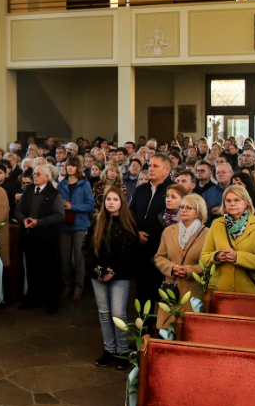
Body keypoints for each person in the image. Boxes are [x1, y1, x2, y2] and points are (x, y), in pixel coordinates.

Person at [86, 187, 140, 370]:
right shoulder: (97, 221)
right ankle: (110, 350)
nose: (111, 202)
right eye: (108, 199)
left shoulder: (129, 221)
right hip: (99, 273)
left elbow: (131, 251)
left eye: (115, 199)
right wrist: (100, 271)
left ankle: (122, 352)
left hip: (120, 274)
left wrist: (112, 271)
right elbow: (87, 247)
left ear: (121, 202)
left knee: (118, 314)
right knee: (104, 313)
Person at [200, 185, 255, 295]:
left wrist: (237, 257)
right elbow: (204, 258)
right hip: (220, 289)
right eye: (228, 201)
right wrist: (217, 256)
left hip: (250, 290)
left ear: (246, 202)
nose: (232, 203)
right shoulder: (216, 224)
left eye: (237, 200)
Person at [153, 193, 209, 328]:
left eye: (189, 208)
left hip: (193, 293)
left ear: (198, 212)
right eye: (182, 207)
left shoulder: (208, 233)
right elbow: (159, 257)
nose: (183, 210)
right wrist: (171, 267)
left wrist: (189, 270)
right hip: (170, 291)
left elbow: (209, 263)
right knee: (167, 335)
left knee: (190, 334)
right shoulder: (169, 231)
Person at [15, 165, 66, 314]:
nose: (34, 176)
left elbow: (59, 215)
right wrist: (23, 220)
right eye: (34, 174)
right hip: (29, 237)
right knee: (31, 270)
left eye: (38, 174)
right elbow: (17, 210)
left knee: (48, 271)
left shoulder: (54, 193)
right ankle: (32, 299)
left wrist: (39, 222)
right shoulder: (29, 190)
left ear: (47, 177)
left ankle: (51, 302)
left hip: (46, 238)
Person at [131, 154, 172, 304]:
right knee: (142, 292)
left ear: (166, 170)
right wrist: (136, 232)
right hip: (141, 246)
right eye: (150, 165)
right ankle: (143, 326)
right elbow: (131, 214)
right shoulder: (140, 190)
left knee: (162, 294)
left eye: (156, 166)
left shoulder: (172, 190)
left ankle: (161, 326)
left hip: (163, 249)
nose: (151, 169)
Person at [57, 156, 94, 300]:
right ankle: (67, 286)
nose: (69, 168)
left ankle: (79, 287)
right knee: (64, 258)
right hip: (64, 224)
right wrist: (62, 205)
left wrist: (72, 206)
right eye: (68, 166)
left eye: (72, 165)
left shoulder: (84, 184)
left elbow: (90, 205)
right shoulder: (61, 184)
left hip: (80, 224)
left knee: (79, 259)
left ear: (78, 167)